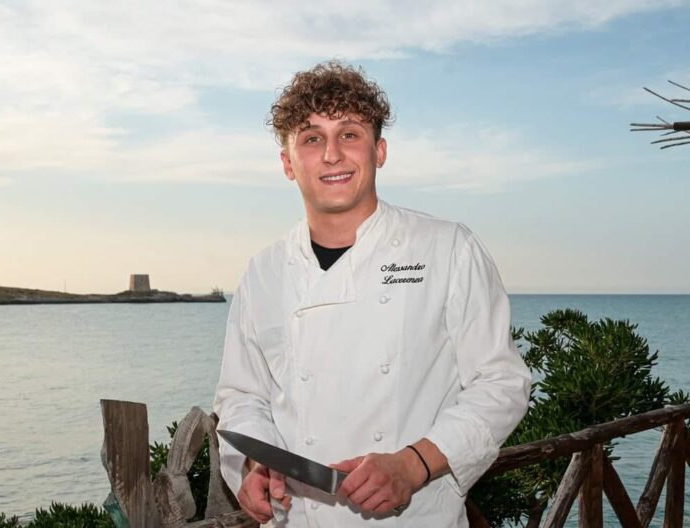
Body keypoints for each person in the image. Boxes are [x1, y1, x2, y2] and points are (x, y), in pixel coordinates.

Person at [213, 61, 531, 527]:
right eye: (312, 138)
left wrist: (414, 463)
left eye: (349, 134)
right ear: (288, 163)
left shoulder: (447, 248)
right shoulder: (263, 271)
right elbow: (243, 395)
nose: (332, 154)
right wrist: (254, 465)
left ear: (379, 151)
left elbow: (501, 383)